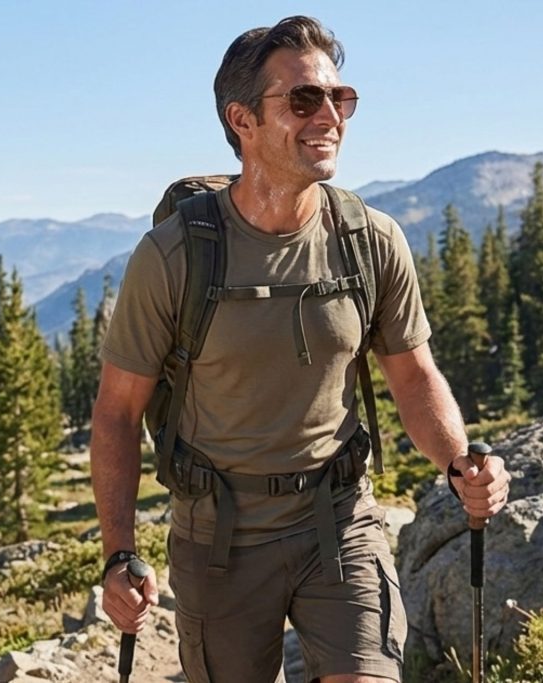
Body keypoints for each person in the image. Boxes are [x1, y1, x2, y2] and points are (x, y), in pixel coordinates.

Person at [90, 15, 511, 683]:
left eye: (339, 98)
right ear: (243, 120)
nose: (330, 116)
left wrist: (460, 463)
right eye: (304, 98)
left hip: (340, 521)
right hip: (219, 536)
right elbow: (117, 411)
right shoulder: (174, 256)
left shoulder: (370, 240)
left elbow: (413, 376)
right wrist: (119, 554)